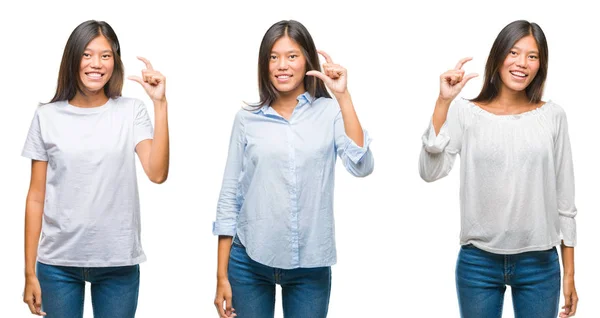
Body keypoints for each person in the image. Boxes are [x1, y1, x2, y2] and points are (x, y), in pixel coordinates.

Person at [212, 20, 374, 318]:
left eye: (292, 56)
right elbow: (230, 195)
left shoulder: (331, 112)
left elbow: (361, 165)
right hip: (249, 262)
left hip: (310, 264)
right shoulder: (247, 119)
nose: (281, 65)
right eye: (273, 57)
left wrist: (343, 96)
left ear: (307, 60)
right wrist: (222, 275)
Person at [419, 20, 578, 317]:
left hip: (540, 264)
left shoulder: (553, 116)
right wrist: (443, 101)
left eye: (532, 56)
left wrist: (569, 274)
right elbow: (431, 171)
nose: (522, 63)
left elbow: (565, 202)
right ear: (499, 56)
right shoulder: (466, 112)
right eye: (514, 53)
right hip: (478, 263)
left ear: (540, 64)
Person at [21, 20, 169, 317]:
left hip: (118, 262)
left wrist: (160, 103)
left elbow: (157, 173)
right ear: (73, 59)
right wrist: (29, 273)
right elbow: (36, 197)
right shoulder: (47, 116)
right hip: (57, 264)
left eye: (105, 55)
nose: (96, 64)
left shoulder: (130, 111)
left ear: (115, 61)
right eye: (87, 54)